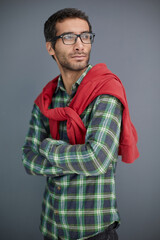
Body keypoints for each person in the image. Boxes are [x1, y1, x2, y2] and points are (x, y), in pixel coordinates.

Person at [22, 8, 139, 240]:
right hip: (51, 226)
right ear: (50, 47)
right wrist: (77, 162)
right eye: (69, 37)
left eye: (85, 36)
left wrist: (48, 147)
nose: (79, 45)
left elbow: (96, 160)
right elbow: (27, 160)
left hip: (93, 230)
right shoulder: (46, 99)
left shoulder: (105, 93)